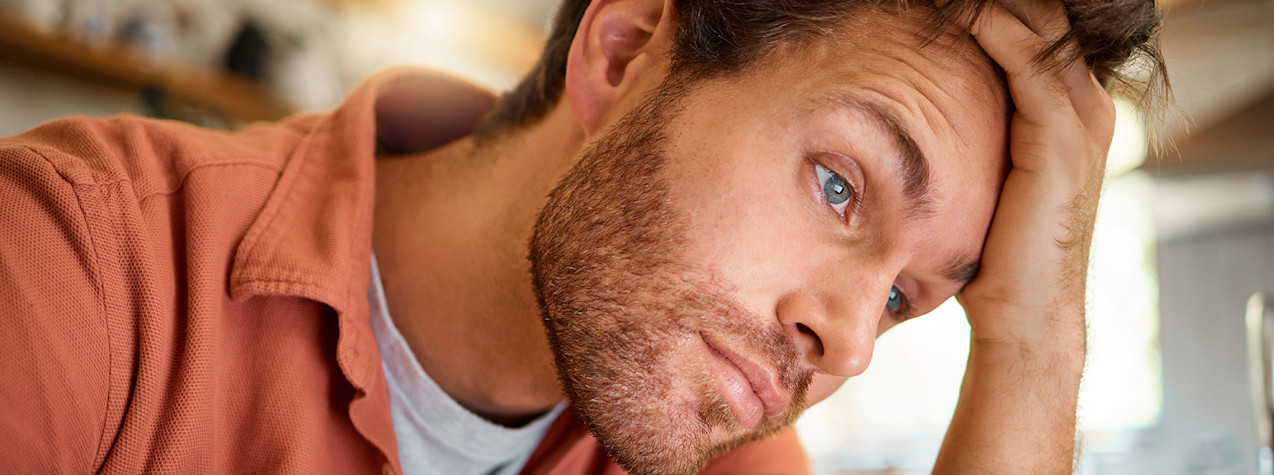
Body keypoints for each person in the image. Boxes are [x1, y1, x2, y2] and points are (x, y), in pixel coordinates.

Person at [0, 0, 1166, 473]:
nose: (851, 339)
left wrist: (1035, 340)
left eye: (911, 297)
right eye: (838, 187)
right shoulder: (80, 262)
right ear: (622, 52)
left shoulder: (718, 441)